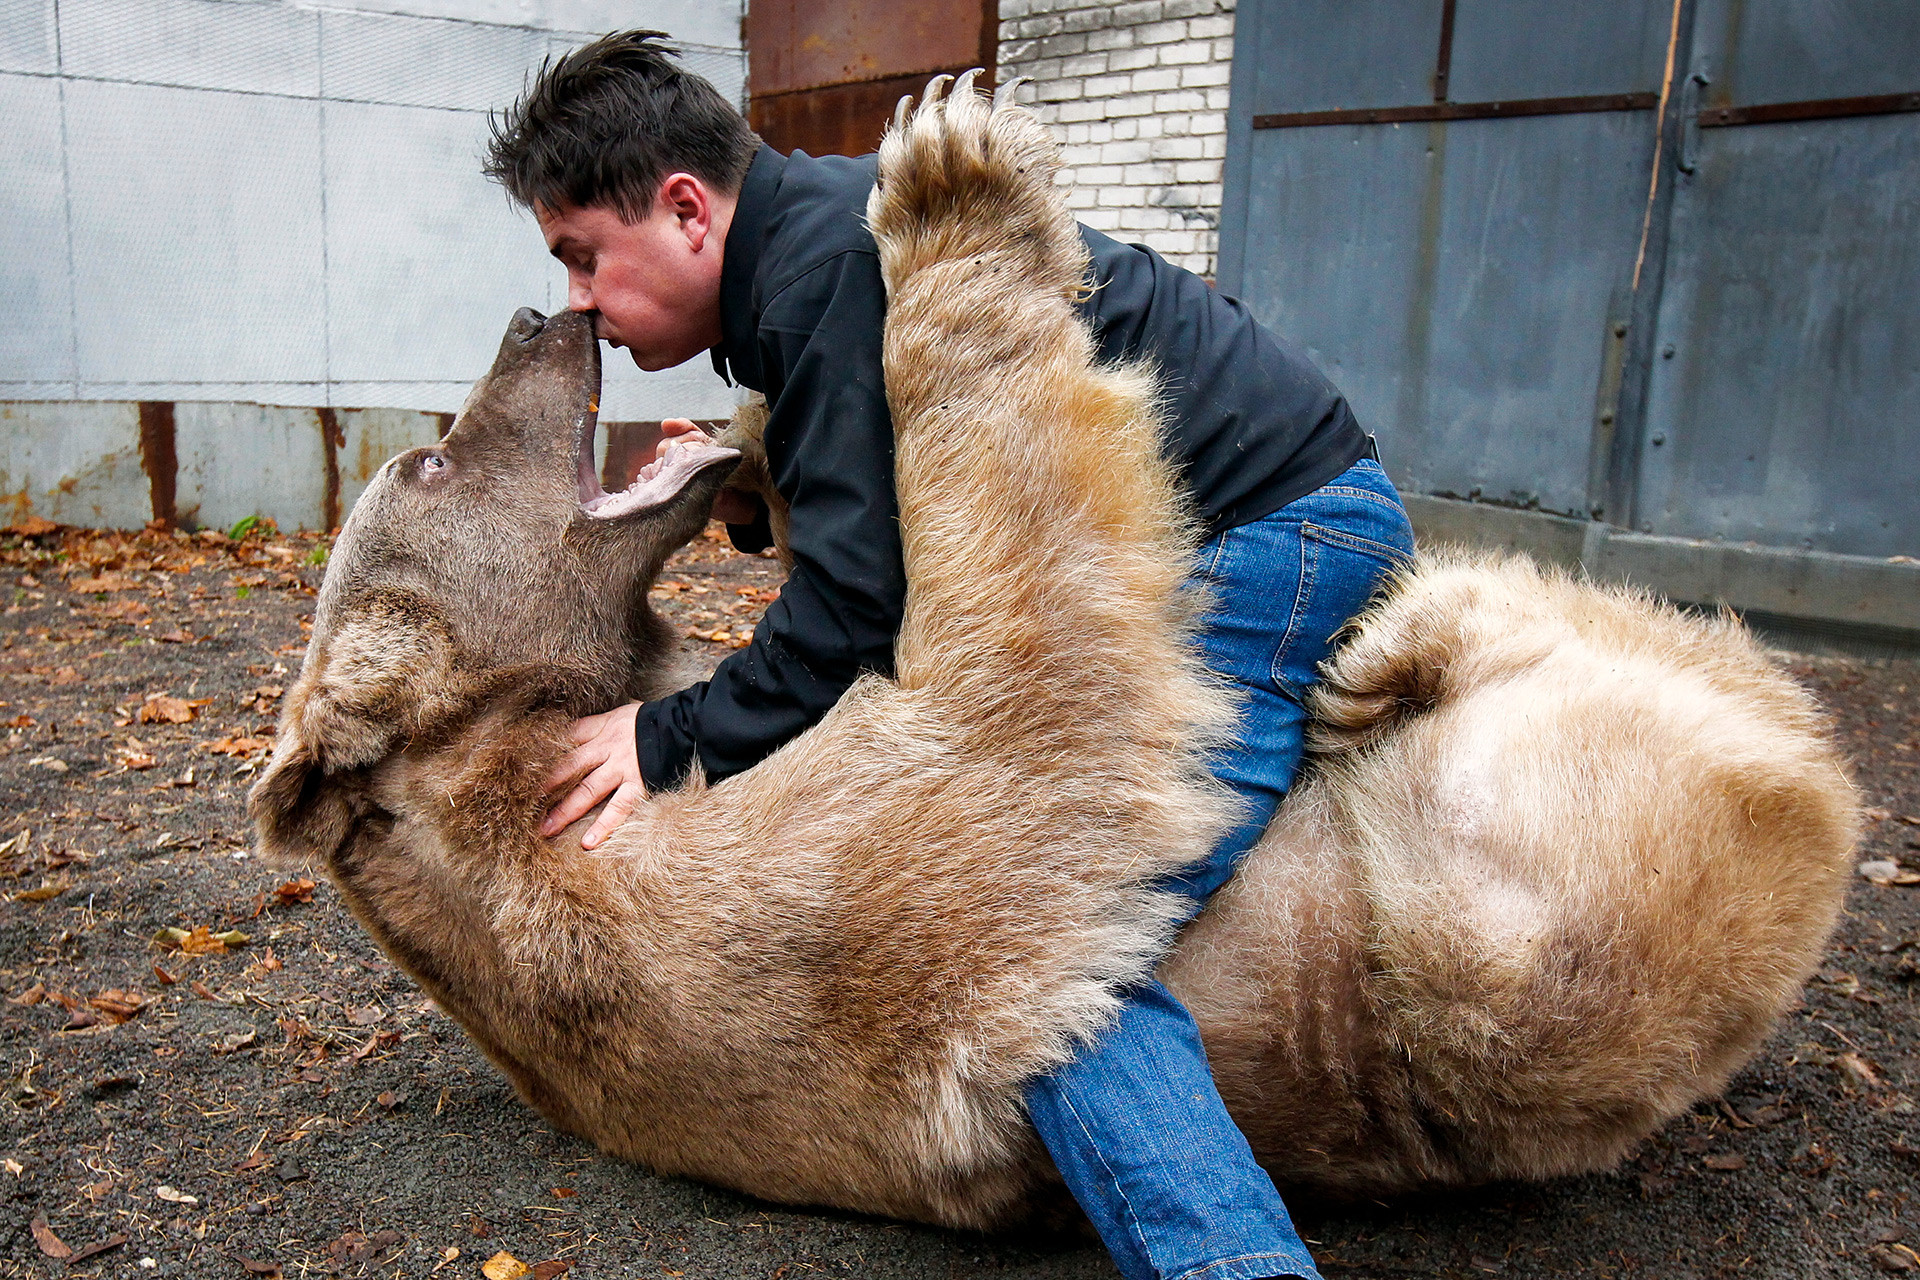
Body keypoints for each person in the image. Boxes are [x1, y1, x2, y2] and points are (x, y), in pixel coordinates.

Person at [485, 30, 1413, 1280]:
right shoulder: (816, 253)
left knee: (1034, 955)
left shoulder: (819, 275)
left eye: (582, 255)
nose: (581, 300)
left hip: (1269, 536)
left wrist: (668, 734)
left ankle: (1235, 1266)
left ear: (689, 210)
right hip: (1261, 510)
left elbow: (858, 608)